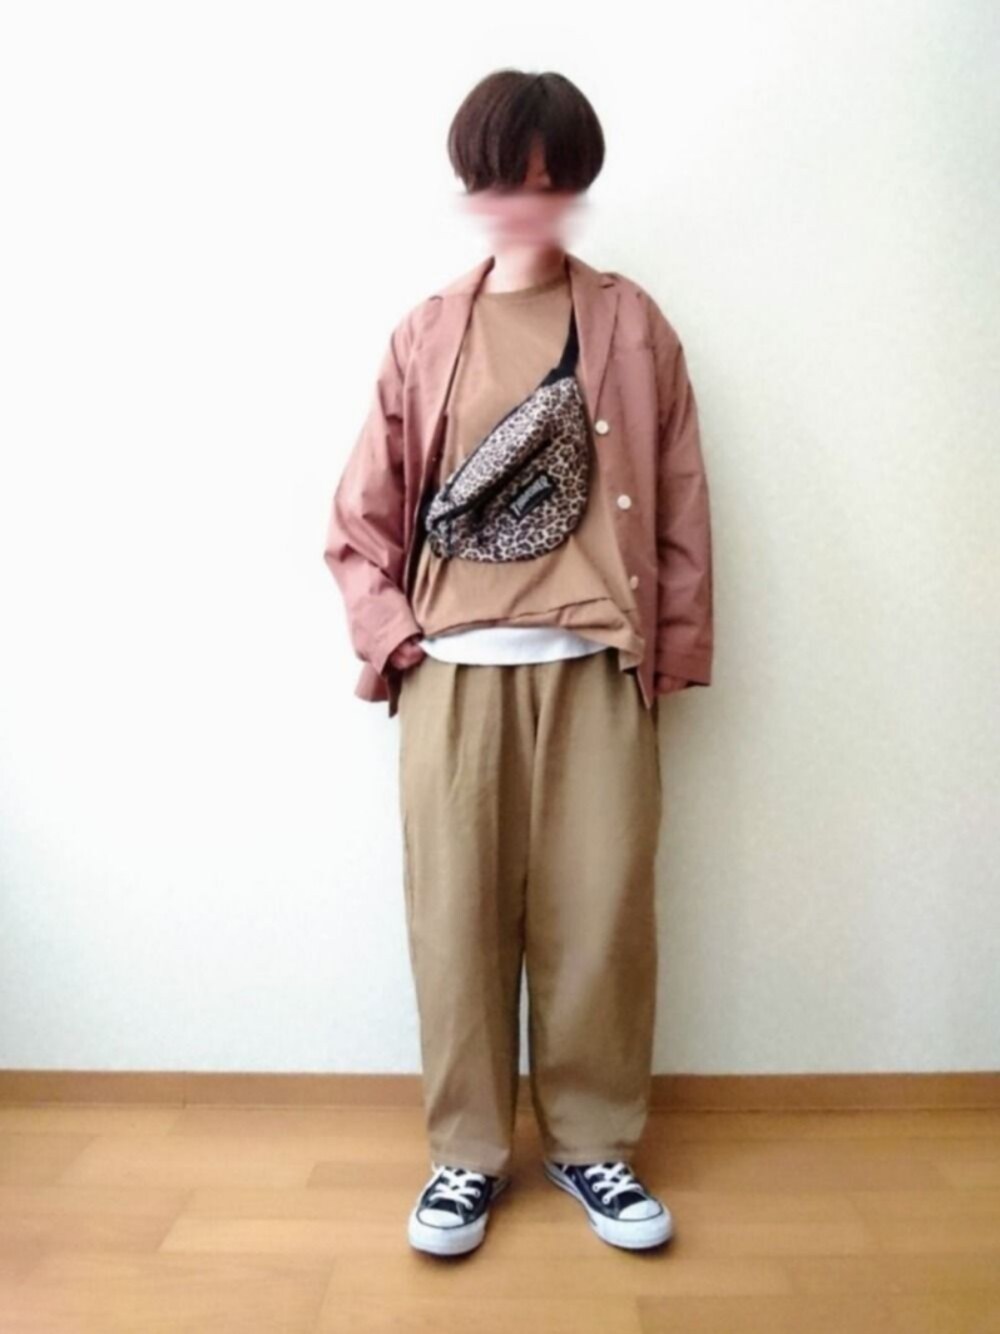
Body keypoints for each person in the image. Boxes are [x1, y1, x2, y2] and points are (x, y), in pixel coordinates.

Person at [323, 68, 714, 1257]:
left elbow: (681, 497)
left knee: (600, 917)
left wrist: (674, 647)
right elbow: (359, 516)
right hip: (453, 674)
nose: (525, 203)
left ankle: (592, 1143)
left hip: (595, 664)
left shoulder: (631, 324)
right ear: (473, 186)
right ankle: (466, 1154)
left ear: (576, 186)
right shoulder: (426, 331)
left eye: (550, 182)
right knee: (456, 923)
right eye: (503, 180)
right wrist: (393, 637)